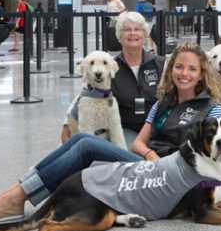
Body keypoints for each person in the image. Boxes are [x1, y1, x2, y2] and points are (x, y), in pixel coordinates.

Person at [0, 42, 221, 224]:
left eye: (192, 69)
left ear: (202, 74)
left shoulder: (212, 110)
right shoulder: (163, 103)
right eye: (179, 67)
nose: (184, 73)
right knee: (80, 139)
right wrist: (149, 155)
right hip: (148, 166)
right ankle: (18, 191)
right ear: (171, 71)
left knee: (85, 145)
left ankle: (17, 196)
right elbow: (137, 142)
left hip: (171, 175)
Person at [60, 11, 166, 148]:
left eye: (137, 29)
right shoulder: (108, 65)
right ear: (119, 36)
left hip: (156, 128)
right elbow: (86, 92)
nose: (133, 33)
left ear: (145, 34)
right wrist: (66, 123)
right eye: (127, 29)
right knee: (130, 156)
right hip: (127, 128)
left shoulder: (160, 64)